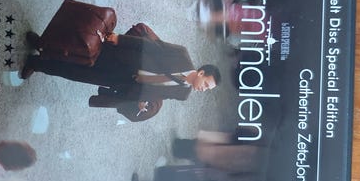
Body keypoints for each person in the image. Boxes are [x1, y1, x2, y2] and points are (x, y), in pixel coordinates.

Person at [21, 26, 221, 121]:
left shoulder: (183, 94)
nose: (203, 89)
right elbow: (151, 47)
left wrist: (143, 101)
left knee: (75, 72)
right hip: (122, 58)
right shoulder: (181, 55)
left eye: (207, 89)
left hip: (122, 80)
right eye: (206, 84)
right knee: (79, 50)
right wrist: (120, 40)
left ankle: (36, 64)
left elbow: (159, 93)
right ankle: (41, 43)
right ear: (201, 72)